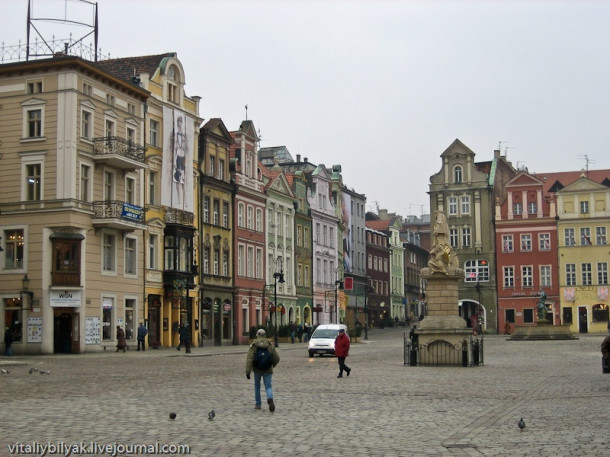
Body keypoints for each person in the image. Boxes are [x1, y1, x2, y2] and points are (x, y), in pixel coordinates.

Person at [246, 328, 280, 412]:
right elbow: (277, 358)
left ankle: (258, 404)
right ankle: (270, 398)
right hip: (267, 369)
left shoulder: (254, 345)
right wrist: (272, 365)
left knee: (257, 386)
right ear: (265, 335)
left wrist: (248, 372)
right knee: (268, 386)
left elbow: (249, 359)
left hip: (257, 369)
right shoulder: (269, 345)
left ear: (257, 335)